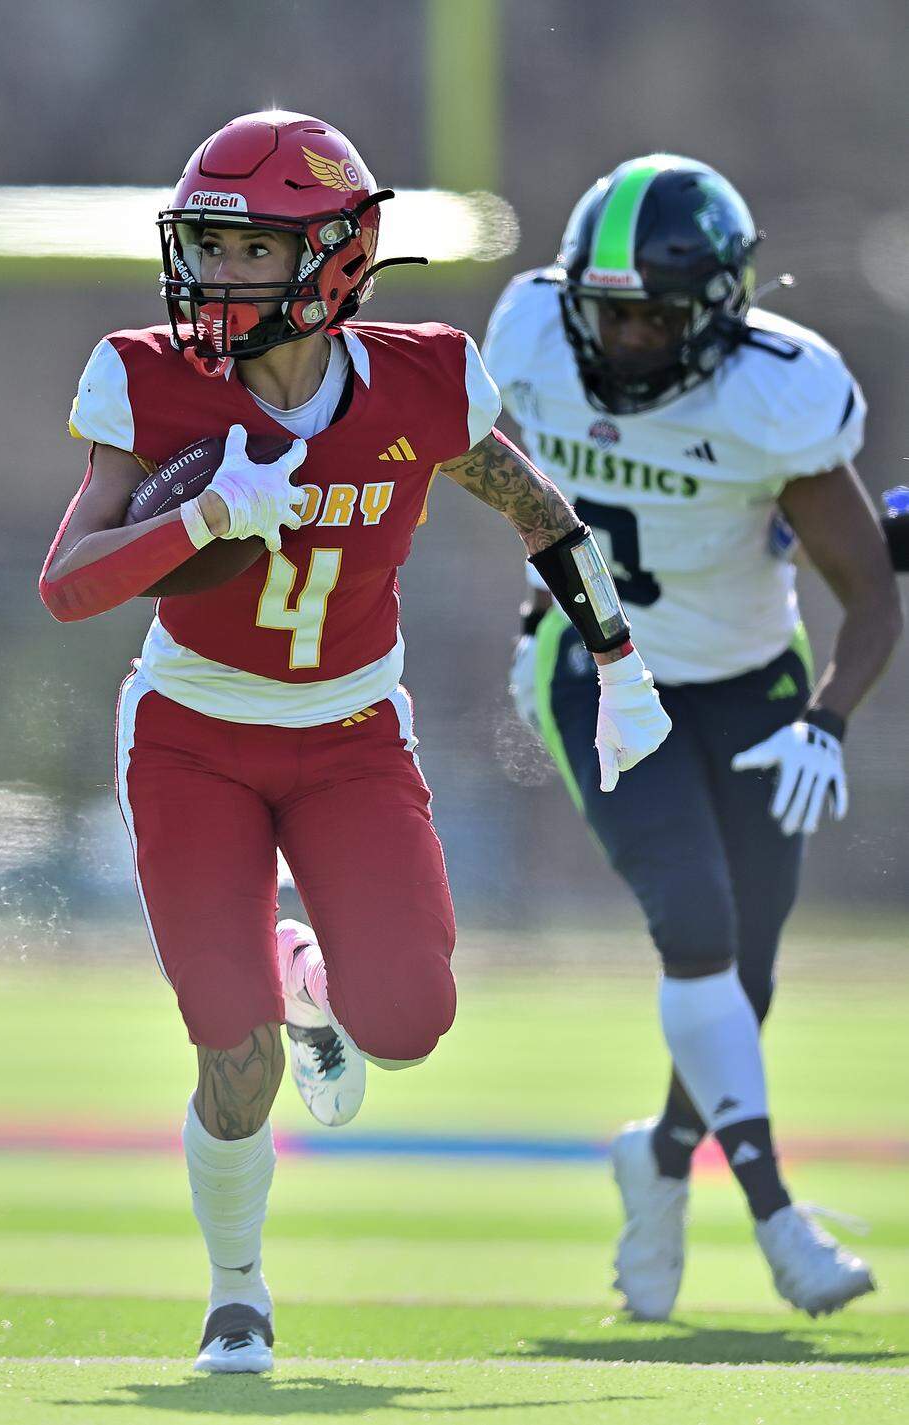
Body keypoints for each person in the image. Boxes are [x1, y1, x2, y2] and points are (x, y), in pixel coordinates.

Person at [38, 111, 670, 1373]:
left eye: (251, 250)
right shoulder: (148, 378)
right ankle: (238, 1293)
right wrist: (203, 515)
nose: (216, 274)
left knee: (410, 1020)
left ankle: (310, 975)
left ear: (332, 259)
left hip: (351, 735)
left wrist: (619, 660)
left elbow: (541, 513)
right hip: (193, 733)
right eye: (206, 246)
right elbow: (67, 583)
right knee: (232, 1048)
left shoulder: (423, 381)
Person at [484, 154, 901, 1320]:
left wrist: (826, 719)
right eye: (607, 311)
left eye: (654, 316)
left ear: (719, 311)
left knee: (745, 972)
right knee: (697, 927)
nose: (624, 339)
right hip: (598, 669)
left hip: (749, 680)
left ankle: (662, 1158)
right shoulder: (527, 335)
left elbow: (871, 593)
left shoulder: (775, 394)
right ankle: (776, 1216)